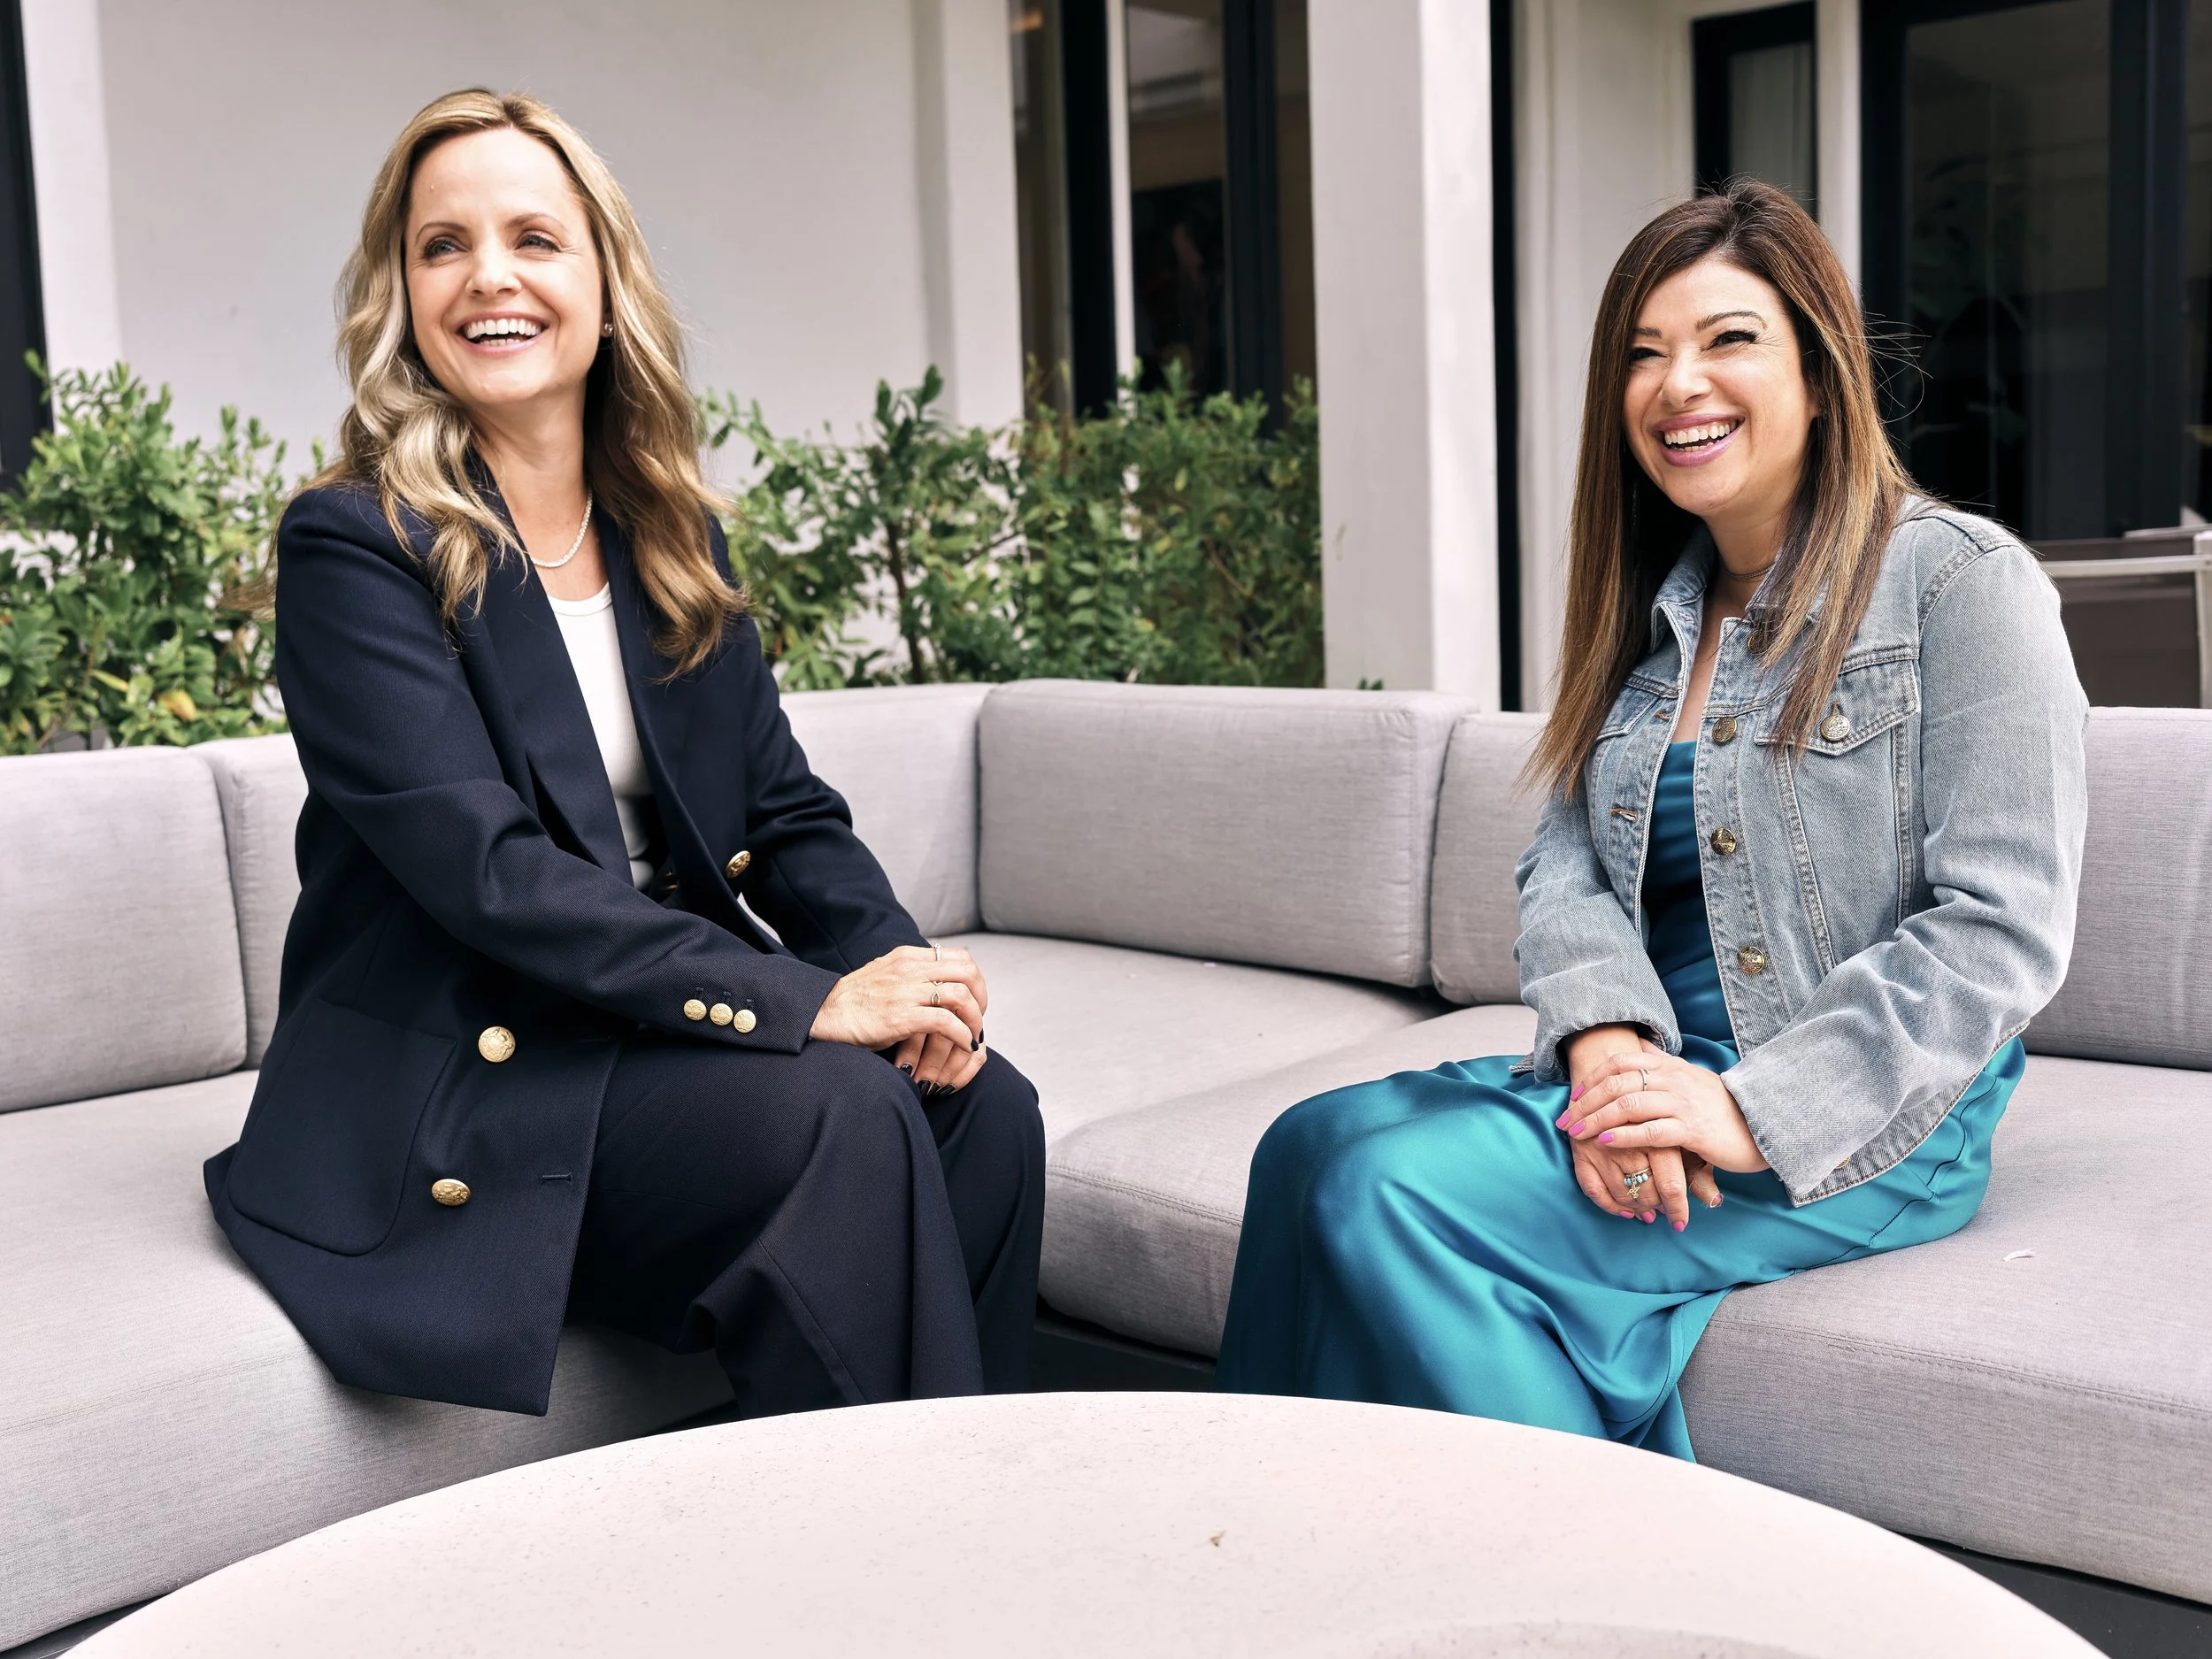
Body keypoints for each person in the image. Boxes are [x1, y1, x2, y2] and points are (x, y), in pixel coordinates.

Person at [204, 89, 1044, 1419]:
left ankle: (981, 1505)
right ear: (403, 295)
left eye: (535, 237)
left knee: (982, 1106)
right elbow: (491, 872)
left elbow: (786, 807)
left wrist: (904, 974)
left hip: (633, 1037)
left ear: (604, 282)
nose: (490, 275)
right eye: (443, 245)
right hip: (467, 1080)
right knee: (841, 1112)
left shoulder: (665, 537)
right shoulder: (354, 544)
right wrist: (804, 1004)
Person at [1213, 180, 2087, 1456]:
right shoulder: (1653, 618)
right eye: (1642, 352)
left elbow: (2002, 931)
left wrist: (1742, 1113)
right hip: (1652, 1069)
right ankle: (1299, 1551)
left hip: (1859, 1106)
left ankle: (1609, 1586)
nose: (1678, 383)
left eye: (1727, 339)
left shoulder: (1961, 584)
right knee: (1304, 1147)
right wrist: (1609, 1046)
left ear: (1820, 367)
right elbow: (1564, 863)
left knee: (1386, 1192)